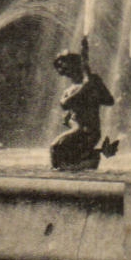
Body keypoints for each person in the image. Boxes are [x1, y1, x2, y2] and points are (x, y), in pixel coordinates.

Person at [50, 39, 119, 171]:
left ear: (75, 64)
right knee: (63, 157)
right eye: (59, 65)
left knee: (55, 147)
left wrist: (92, 92)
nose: (61, 68)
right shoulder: (70, 90)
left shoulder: (94, 80)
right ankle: (91, 157)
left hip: (88, 131)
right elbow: (64, 104)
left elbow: (109, 100)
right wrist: (86, 88)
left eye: (64, 63)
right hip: (78, 130)